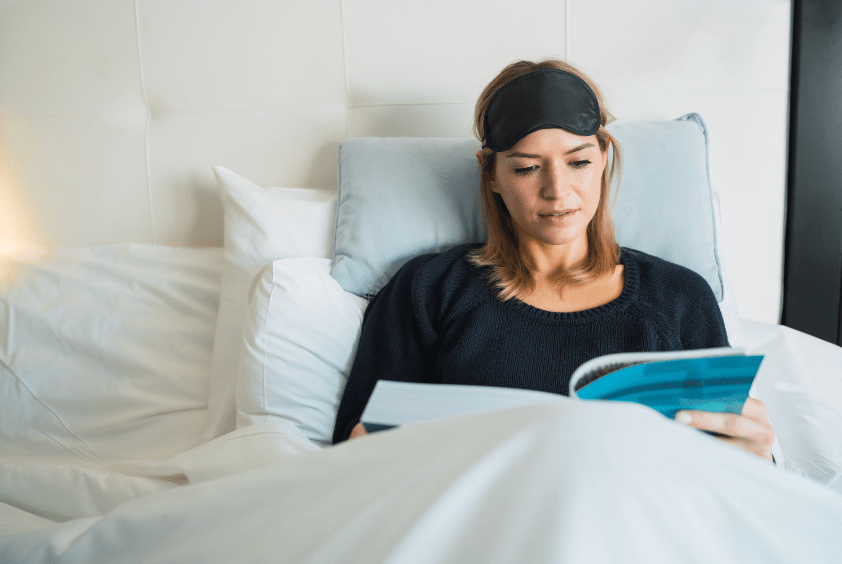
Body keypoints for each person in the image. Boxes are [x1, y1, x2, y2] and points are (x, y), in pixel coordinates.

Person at [332, 59, 775, 461]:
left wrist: (755, 459)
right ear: (492, 175)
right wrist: (365, 456)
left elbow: (728, 475)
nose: (557, 191)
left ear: (604, 157)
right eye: (526, 168)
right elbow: (350, 458)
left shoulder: (680, 298)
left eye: (578, 162)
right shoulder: (429, 290)